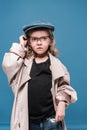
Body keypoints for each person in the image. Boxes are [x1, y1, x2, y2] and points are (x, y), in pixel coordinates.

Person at [2, 21, 77, 130]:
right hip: (28, 121)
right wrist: (20, 46)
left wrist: (61, 104)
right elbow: (7, 65)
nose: (39, 42)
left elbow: (64, 87)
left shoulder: (57, 65)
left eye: (43, 38)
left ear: (50, 41)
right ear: (28, 41)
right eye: (34, 39)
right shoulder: (22, 64)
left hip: (51, 120)